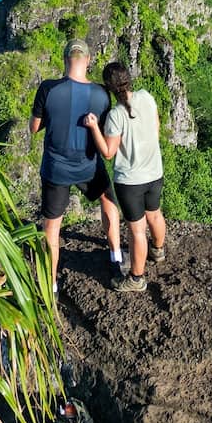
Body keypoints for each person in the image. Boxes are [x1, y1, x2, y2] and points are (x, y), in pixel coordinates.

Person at [30, 39, 123, 292]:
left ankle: (51, 285)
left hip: (56, 169)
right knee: (108, 200)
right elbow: (104, 132)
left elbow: (34, 128)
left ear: (64, 58)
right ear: (88, 60)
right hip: (89, 165)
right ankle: (116, 255)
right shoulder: (102, 94)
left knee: (52, 226)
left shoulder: (48, 89)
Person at [85, 61, 166, 293]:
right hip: (154, 172)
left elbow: (109, 153)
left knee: (137, 230)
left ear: (109, 88)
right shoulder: (147, 97)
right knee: (155, 214)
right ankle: (158, 250)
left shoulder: (115, 115)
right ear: (129, 79)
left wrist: (93, 128)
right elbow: (156, 126)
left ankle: (136, 278)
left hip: (131, 181)